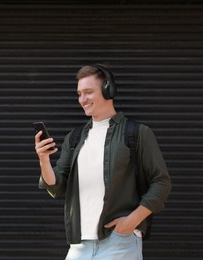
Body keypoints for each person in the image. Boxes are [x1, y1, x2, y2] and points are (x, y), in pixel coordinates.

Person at [34, 63, 171, 259]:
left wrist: (132, 221)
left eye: (88, 92)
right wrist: (44, 160)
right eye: (79, 94)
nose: (82, 99)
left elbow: (162, 182)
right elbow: (57, 188)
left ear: (108, 90)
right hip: (79, 244)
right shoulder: (74, 138)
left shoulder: (137, 133)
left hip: (119, 242)